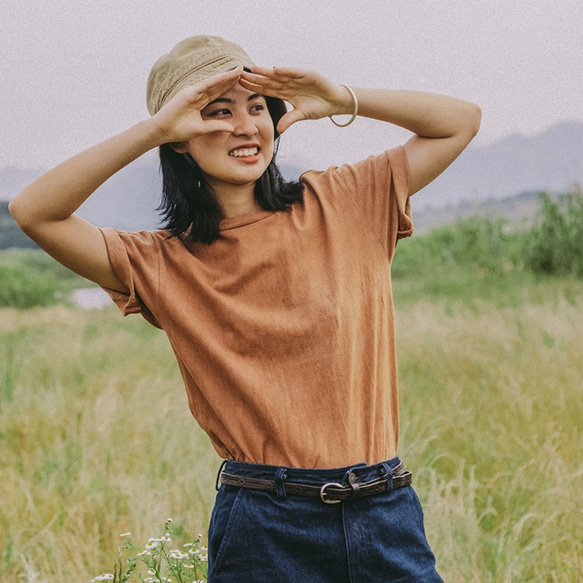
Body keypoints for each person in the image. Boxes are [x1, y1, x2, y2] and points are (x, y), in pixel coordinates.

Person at [10, 35, 481, 582]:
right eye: (217, 112)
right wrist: (154, 130)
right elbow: (35, 211)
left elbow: (460, 121)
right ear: (181, 137)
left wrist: (339, 97)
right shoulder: (164, 263)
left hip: (384, 509)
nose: (245, 126)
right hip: (266, 527)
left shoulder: (344, 202)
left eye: (256, 107)